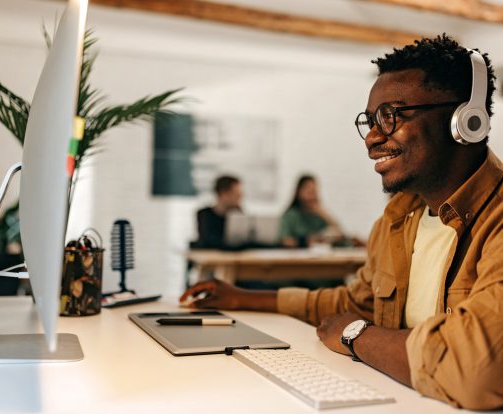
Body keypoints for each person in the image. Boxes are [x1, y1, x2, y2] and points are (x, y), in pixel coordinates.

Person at [180, 35, 503, 409]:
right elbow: (355, 301)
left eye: (390, 116)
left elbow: (476, 371)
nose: (371, 138)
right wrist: (244, 297)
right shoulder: (398, 219)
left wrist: (356, 336)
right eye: (370, 121)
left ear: (466, 120)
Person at [279, 175, 345, 247]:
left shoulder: (319, 215)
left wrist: (325, 214)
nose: (312, 196)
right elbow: (285, 241)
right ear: (299, 192)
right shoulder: (291, 215)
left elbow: (340, 235)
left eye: (314, 192)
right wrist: (306, 241)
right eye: (309, 191)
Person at [194, 175, 242, 249]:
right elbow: (208, 241)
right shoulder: (205, 215)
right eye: (236, 194)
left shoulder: (238, 214)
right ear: (224, 194)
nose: (240, 197)